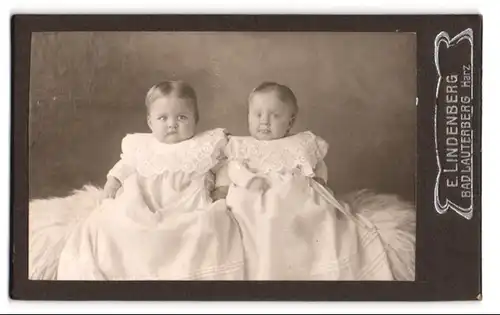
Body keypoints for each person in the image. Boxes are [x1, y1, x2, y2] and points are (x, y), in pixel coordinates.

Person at [31, 80, 245, 280]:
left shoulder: (206, 144)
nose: (172, 124)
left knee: (205, 227)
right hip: (144, 202)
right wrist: (113, 183)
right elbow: (124, 166)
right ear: (150, 122)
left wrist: (222, 188)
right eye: (163, 118)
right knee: (113, 226)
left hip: (188, 203)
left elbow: (222, 166)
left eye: (182, 117)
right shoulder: (140, 145)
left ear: (195, 119)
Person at [219, 81, 415, 280]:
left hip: (293, 192)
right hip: (253, 192)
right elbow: (233, 168)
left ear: (290, 121)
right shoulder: (242, 145)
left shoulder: (302, 142)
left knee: (312, 213)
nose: (264, 121)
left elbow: (318, 165)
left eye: (275, 115)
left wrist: (321, 180)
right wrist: (248, 180)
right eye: (257, 114)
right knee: (244, 207)